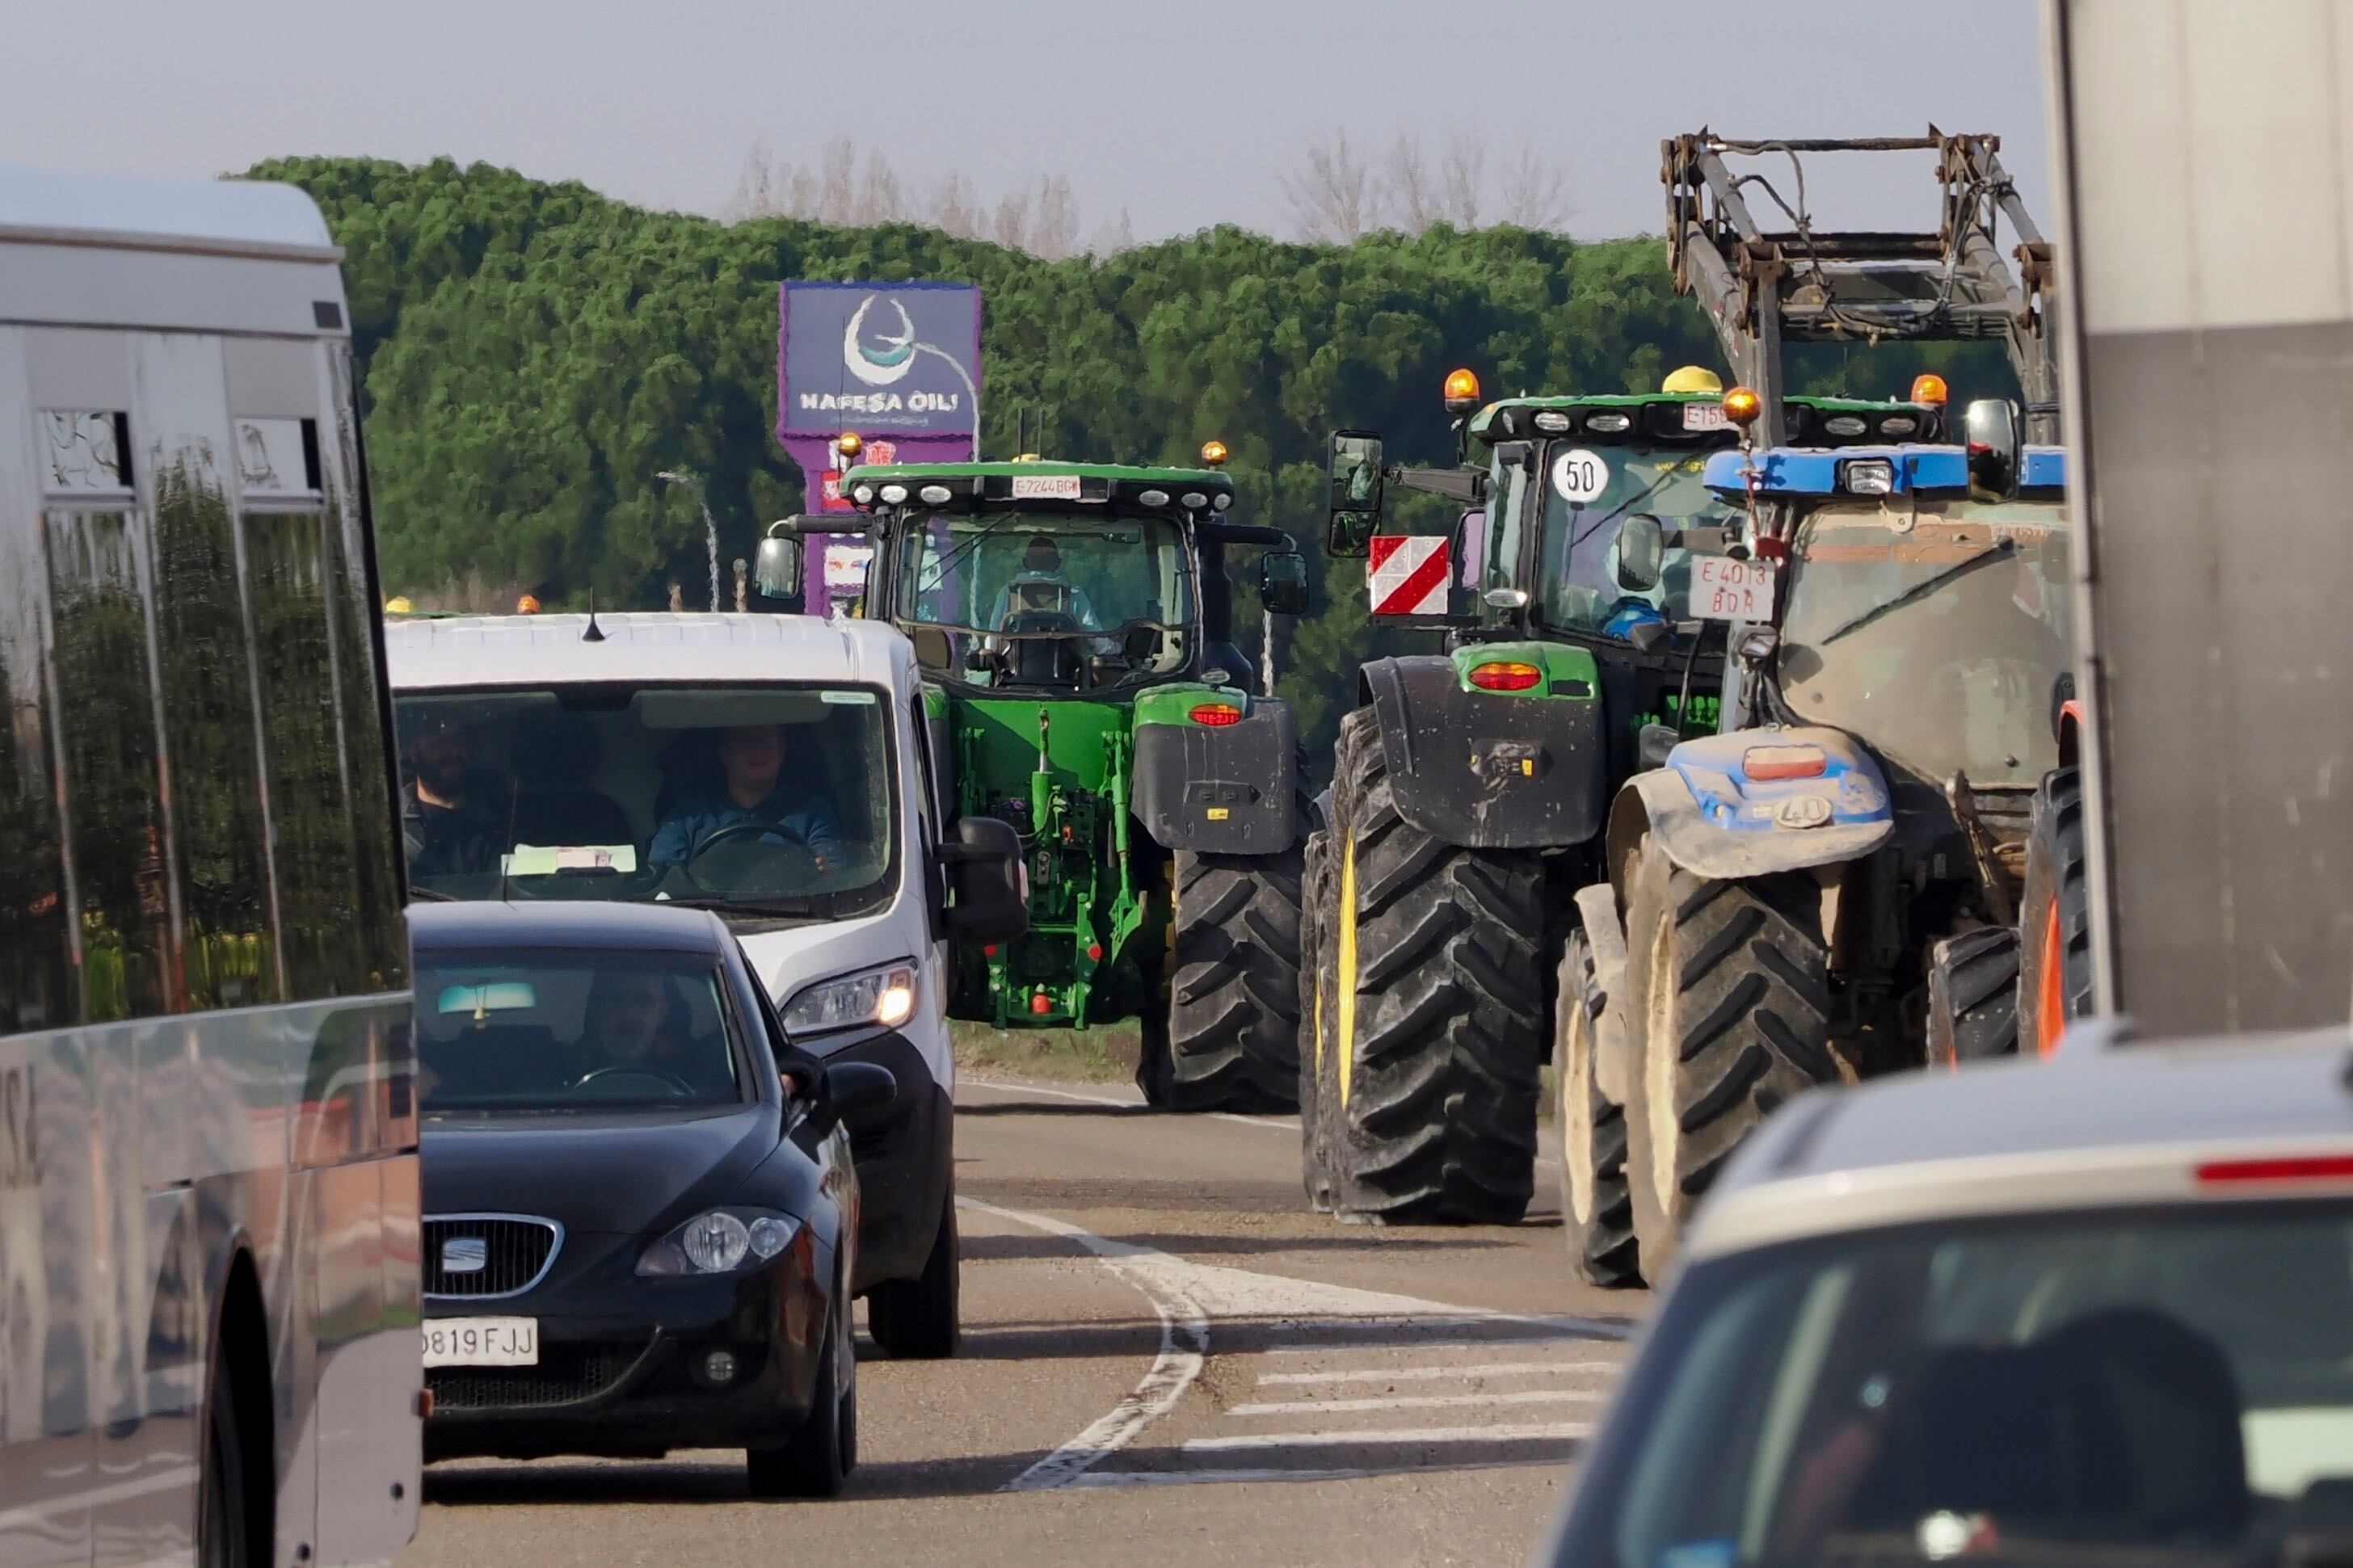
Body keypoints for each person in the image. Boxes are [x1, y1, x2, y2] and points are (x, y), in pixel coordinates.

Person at [649, 723, 843, 868]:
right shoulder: (688, 813)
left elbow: (834, 877)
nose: (758, 750)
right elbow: (663, 880)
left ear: (782, 751)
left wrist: (825, 873)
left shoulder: (812, 812)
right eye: (745, 740)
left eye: (767, 740)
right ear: (725, 753)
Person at [570, 969, 735, 1099]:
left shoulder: (704, 1074)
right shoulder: (560, 1070)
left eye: (643, 1001)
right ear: (597, 1010)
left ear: (664, 1011)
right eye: (614, 999)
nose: (628, 1014)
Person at [400, 717, 507, 878]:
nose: (452, 749)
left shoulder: (507, 820)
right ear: (414, 750)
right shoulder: (384, 827)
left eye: (459, 737)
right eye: (439, 739)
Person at [986, 535, 1101, 631]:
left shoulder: (1009, 591)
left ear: (1025, 563)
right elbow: (1095, 636)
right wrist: (1116, 649)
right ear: (1058, 563)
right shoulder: (1073, 592)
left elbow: (993, 638)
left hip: (1015, 658)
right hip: (1064, 658)